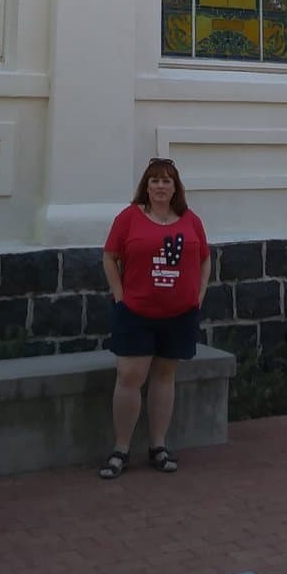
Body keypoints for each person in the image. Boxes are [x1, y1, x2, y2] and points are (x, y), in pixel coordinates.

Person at [99, 156, 210, 478]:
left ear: (175, 187)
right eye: (155, 180)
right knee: (129, 377)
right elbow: (109, 257)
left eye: (166, 181)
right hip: (135, 313)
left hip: (179, 314)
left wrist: (198, 296)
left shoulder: (190, 220)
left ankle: (158, 446)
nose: (160, 186)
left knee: (164, 377)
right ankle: (121, 449)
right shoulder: (129, 218)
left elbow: (205, 259)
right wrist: (120, 297)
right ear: (146, 187)